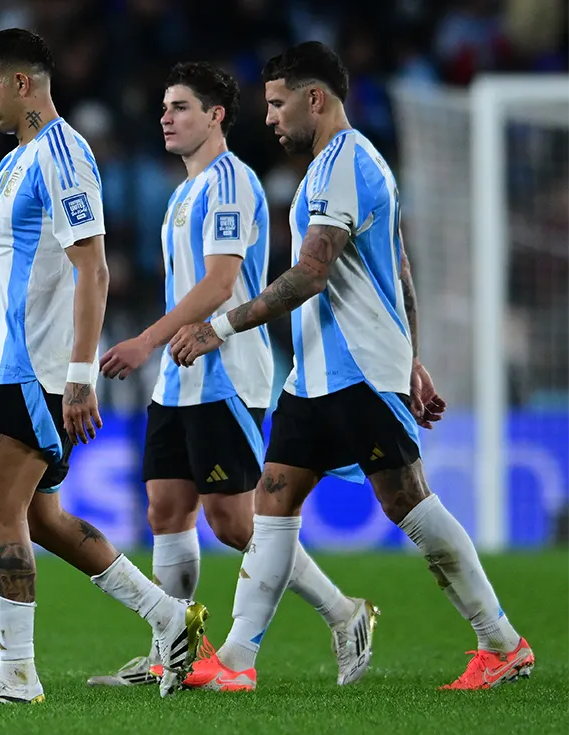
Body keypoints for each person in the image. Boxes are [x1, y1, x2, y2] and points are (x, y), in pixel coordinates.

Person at [170, 41, 533, 691]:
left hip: (357, 366)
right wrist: (413, 355)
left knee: (407, 500)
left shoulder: (345, 163)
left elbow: (311, 273)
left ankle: (501, 641)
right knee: (273, 498)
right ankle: (236, 660)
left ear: (315, 98)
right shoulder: (330, 169)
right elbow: (398, 266)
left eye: (278, 104)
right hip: (317, 372)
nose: (270, 118)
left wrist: (218, 327)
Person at [0, 28, 206, 705]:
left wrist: (79, 376)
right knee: (41, 518)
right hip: (13, 361)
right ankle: (168, 617)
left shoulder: (64, 155)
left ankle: (17, 675)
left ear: (22, 82)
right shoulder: (15, 164)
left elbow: (95, 268)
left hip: (40, 367)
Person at [88, 61, 375, 690]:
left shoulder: (231, 183)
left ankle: (344, 612)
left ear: (216, 115)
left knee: (234, 523)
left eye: (181, 107)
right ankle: (171, 653)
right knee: (166, 510)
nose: (166, 117)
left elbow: (221, 283)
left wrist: (145, 340)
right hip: (178, 379)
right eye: (165, 107)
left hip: (226, 372)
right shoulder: (183, 193)